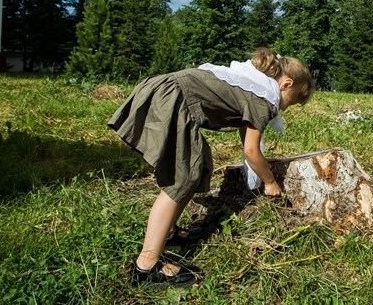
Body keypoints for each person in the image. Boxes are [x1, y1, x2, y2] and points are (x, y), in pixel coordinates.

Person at [108, 48, 313, 287]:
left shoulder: (252, 86)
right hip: (171, 98)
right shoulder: (262, 98)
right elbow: (252, 151)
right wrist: (270, 182)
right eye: (293, 101)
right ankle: (147, 266)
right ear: (286, 84)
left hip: (168, 93)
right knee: (182, 179)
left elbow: (246, 137)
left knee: (197, 166)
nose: (286, 108)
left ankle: (169, 232)